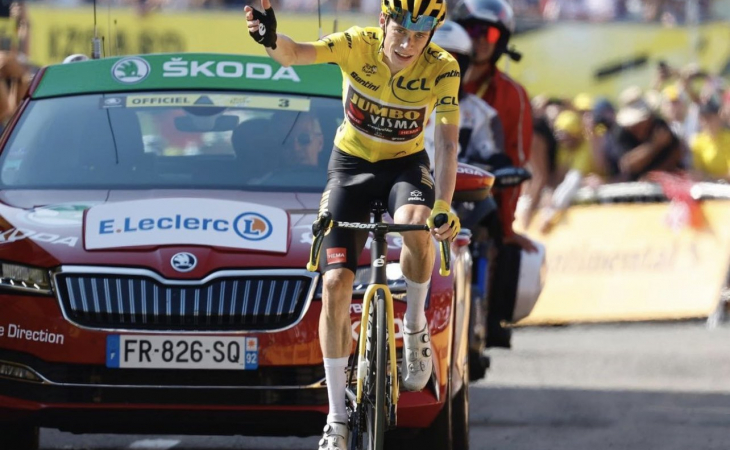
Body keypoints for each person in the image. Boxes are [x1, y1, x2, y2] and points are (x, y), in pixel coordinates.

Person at [244, 0, 462, 448]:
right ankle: (338, 418)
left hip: (405, 168)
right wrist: (268, 37)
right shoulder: (355, 45)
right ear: (383, 21)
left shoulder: (444, 69)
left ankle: (415, 327)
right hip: (350, 168)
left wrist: (444, 202)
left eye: (419, 36)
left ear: (432, 37)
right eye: (399, 30)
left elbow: (447, 143)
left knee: (417, 225)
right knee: (336, 284)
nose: (406, 43)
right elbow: (294, 54)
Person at [452, 0, 536, 348]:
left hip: (477, 200)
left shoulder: (512, 96)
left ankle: (483, 320)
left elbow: (514, 164)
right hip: (423, 188)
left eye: (489, 32)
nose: (481, 39)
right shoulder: (419, 83)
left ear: (502, 40)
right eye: (473, 30)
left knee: (500, 245)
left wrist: (505, 227)